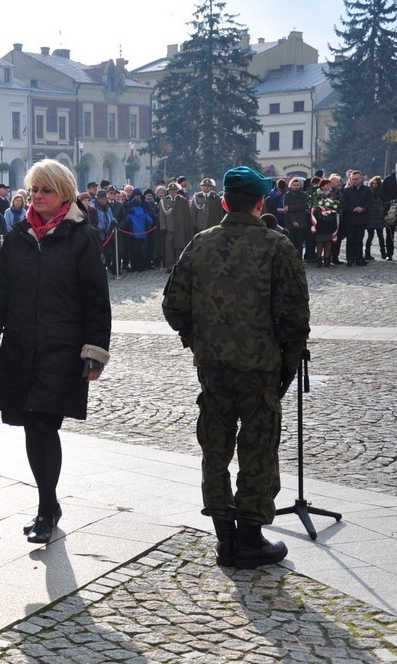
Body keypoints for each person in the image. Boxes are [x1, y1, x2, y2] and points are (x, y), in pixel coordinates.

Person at [162, 165, 310, 570]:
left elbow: (173, 307)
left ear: (224, 202)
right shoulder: (276, 246)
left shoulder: (199, 243)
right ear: (261, 201)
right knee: (258, 449)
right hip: (260, 368)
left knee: (215, 447)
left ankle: (225, 540)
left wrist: (198, 340)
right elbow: (295, 317)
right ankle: (249, 538)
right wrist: (288, 366)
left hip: (213, 367)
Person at [0, 160, 111, 544]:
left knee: (42, 424)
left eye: (45, 190)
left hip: (62, 347)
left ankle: (44, 509)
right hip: (20, 345)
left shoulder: (81, 237)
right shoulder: (17, 235)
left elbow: (96, 300)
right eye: (34, 189)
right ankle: (49, 504)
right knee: (29, 424)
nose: (37, 196)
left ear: (64, 194)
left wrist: (94, 351)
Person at [157, 182, 192, 272]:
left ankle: (179, 264)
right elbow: (161, 215)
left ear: (177, 191)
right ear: (168, 191)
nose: (173, 191)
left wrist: (187, 227)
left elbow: (187, 215)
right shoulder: (164, 201)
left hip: (180, 227)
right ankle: (169, 265)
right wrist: (163, 227)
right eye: (171, 190)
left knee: (179, 247)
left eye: (175, 190)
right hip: (169, 228)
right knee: (168, 247)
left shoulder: (182, 200)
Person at [341, 170, 373, 266]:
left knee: (359, 239)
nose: (354, 181)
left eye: (356, 179)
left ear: (361, 178)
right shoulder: (347, 190)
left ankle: (359, 258)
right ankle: (350, 259)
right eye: (352, 179)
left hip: (362, 218)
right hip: (350, 219)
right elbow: (343, 203)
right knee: (350, 240)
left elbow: (370, 202)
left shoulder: (367, 190)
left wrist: (363, 208)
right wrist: (353, 209)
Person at [283, 177, 311, 258]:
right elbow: (286, 210)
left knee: (300, 243)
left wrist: (291, 207)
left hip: (302, 221)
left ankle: (299, 260)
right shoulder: (287, 195)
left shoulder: (304, 195)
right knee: (290, 243)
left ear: (300, 185)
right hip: (290, 222)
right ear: (290, 185)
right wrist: (293, 221)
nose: (296, 187)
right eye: (294, 185)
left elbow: (304, 206)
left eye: (297, 185)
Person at [365, 176, 386, 261]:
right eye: (373, 183)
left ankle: (383, 253)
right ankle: (367, 253)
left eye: (376, 183)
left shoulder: (381, 193)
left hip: (379, 216)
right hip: (370, 216)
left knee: (380, 236)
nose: (374, 185)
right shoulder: (369, 192)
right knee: (370, 236)